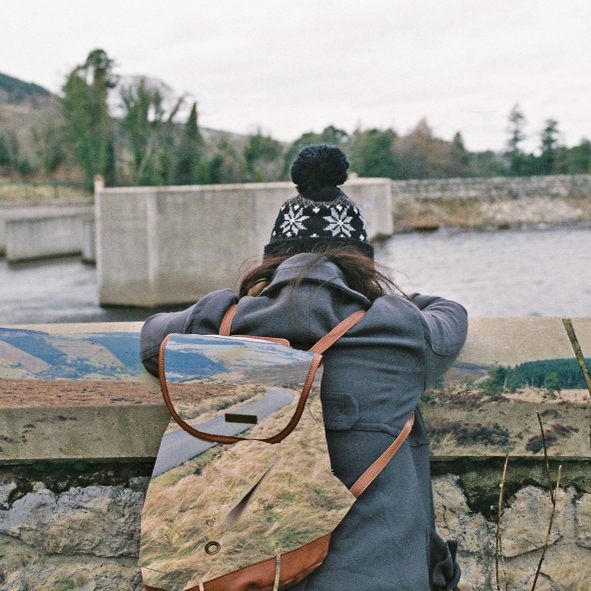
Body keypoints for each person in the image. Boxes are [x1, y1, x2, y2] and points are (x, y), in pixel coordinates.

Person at [140, 144, 468, 591]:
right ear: (360, 266)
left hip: (240, 574)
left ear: (273, 261)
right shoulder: (398, 333)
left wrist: (226, 309)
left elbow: (152, 338)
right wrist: (385, 301)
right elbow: (449, 314)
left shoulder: (220, 326)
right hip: (380, 576)